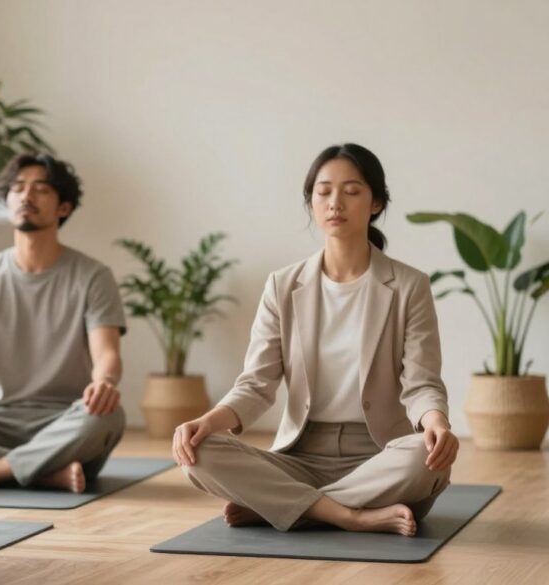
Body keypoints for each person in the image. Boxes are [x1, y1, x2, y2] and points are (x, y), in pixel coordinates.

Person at [174, 143, 457, 536]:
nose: (335, 203)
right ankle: (348, 515)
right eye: (323, 192)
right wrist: (205, 421)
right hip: (300, 457)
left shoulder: (410, 286)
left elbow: (421, 382)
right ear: (311, 203)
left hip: (379, 457)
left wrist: (437, 424)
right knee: (198, 452)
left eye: (351, 191)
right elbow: (256, 385)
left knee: (424, 457)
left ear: (376, 203)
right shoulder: (282, 285)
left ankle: (283, 505)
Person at [0, 153, 127, 494]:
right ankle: (39, 472)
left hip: (64, 423)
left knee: (109, 415)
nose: (26, 195)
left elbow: (107, 354)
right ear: (7, 202)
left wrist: (105, 382)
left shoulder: (93, 276)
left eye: (41, 189)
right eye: (17, 188)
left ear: (63, 208)